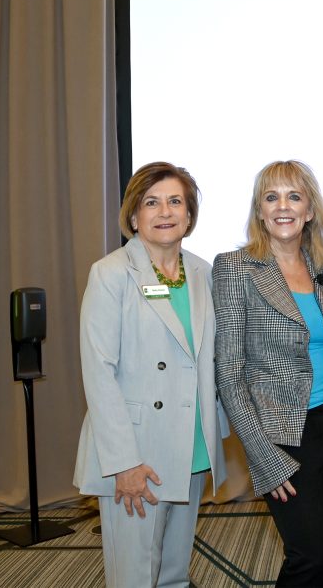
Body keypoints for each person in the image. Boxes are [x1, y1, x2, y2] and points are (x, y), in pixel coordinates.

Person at [73, 161, 227, 588]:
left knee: (176, 572)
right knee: (134, 577)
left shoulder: (203, 272)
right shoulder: (110, 273)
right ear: (134, 216)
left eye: (175, 201)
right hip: (138, 452)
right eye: (151, 202)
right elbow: (98, 373)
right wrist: (123, 462)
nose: (165, 212)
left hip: (191, 444)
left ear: (190, 215)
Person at [213, 160, 323, 587]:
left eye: (294, 196)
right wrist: (263, 457)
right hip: (282, 435)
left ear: (310, 209)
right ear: (259, 210)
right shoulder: (236, 267)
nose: (283, 206)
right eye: (271, 196)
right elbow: (230, 372)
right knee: (308, 556)